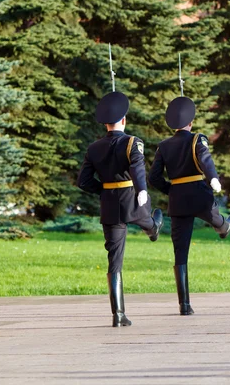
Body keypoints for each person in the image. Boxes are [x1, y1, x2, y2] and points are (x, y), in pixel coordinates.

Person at [77, 91, 164, 327]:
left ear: (106, 123)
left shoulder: (94, 147)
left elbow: (83, 181)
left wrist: (105, 191)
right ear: (123, 120)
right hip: (131, 198)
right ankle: (152, 228)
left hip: (110, 203)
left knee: (114, 261)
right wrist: (141, 189)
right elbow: (136, 166)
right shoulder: (131, 142)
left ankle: (118, 314)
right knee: (147, 219)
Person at [148, 96, 230, 316]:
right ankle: (223, 227)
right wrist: (214, 178)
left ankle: (184, 305)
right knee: (216, 218)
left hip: (178, 199)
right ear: (191, 123)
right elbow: (205, 158)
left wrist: (172, 190)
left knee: (180, 253)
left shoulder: (163, 146)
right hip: (198, 193)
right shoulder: (197, 139)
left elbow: (153, 177)